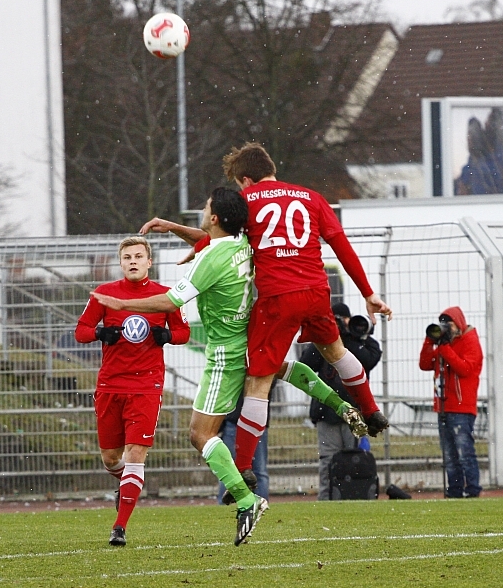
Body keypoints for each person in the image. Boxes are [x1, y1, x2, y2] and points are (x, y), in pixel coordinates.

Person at [143, 143, 392, 491]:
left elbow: (222, 240)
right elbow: (341, 245)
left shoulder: (249, 202)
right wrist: (368, 293)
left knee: (258, 383)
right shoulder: (311, 197)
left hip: (277, 297)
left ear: (245, 179)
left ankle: (245, 467)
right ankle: (370, 410)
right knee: (336, 351)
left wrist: (186, 237)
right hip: (317, 290)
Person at [94, 187, 266, 545]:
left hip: (223, 351)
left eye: (205, 207)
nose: (202, 212)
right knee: (276, 378)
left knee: (200, 434)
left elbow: (173, 300)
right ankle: (350, 408)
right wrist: (169, 226)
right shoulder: (242, 243)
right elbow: (207, 238)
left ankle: (247, 497)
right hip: (249, 339)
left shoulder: (209, 259)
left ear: (216, 217)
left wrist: (123, 306)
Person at [75, 236, 191, 547]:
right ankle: (126, 484)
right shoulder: (105, 295)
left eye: (139, 256)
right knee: (111, 459)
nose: (133, 261)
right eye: (127, 257)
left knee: (136, 454)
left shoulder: (165, 296)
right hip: (110, 384)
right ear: (121, 262)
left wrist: (167, 335)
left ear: (149, 262)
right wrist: (100, 331)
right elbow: (81, 330)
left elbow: (183, 332)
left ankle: (119, 527)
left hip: (146, 386)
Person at [300, 303, 381, 500]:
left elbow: (369, 359)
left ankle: (354, 496)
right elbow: (306, 364)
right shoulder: (322, 343)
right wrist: (324, 337)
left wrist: (344, 338)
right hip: (326, 412)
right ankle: (327, 498)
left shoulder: (361, 341)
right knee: (327, 459)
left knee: (354, 456)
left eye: (342, 319)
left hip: (354, 412)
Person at [419, 306, 484, 498]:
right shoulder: (443, 345)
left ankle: (472, 490)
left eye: (450, 324)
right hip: (444, 406)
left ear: (459, 324)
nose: (447, 328)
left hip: (462, 408)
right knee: (449, 455)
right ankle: (454, 491)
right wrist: (429, 341)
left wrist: (444, 348)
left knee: (464, 452)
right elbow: (424, 364)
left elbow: (464, 369)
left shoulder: (470, 341)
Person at [215, 392, 271, 505]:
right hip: (249, 421)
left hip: (238, 420)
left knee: (229, 469)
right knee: (257, 471)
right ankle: (259, 504)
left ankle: (227, 505)